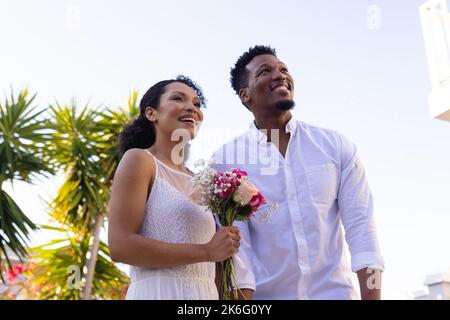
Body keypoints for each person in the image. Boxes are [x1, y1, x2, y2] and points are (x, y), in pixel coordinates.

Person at [210, 46, 385, 300]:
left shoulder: (335, 146)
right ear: (245, 95)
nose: (280, 75)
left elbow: (362, 230)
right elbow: (239, 253)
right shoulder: (226, 161)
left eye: (284, 69)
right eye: (265, 71)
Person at [108, 75, 241, 300]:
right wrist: (207, 251)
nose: (191, 108)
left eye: (197, 104)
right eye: (178, 99)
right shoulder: (140, 160)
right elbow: (120, 245)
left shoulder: (204, 182)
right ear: (152, 113)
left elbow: (214, 264)